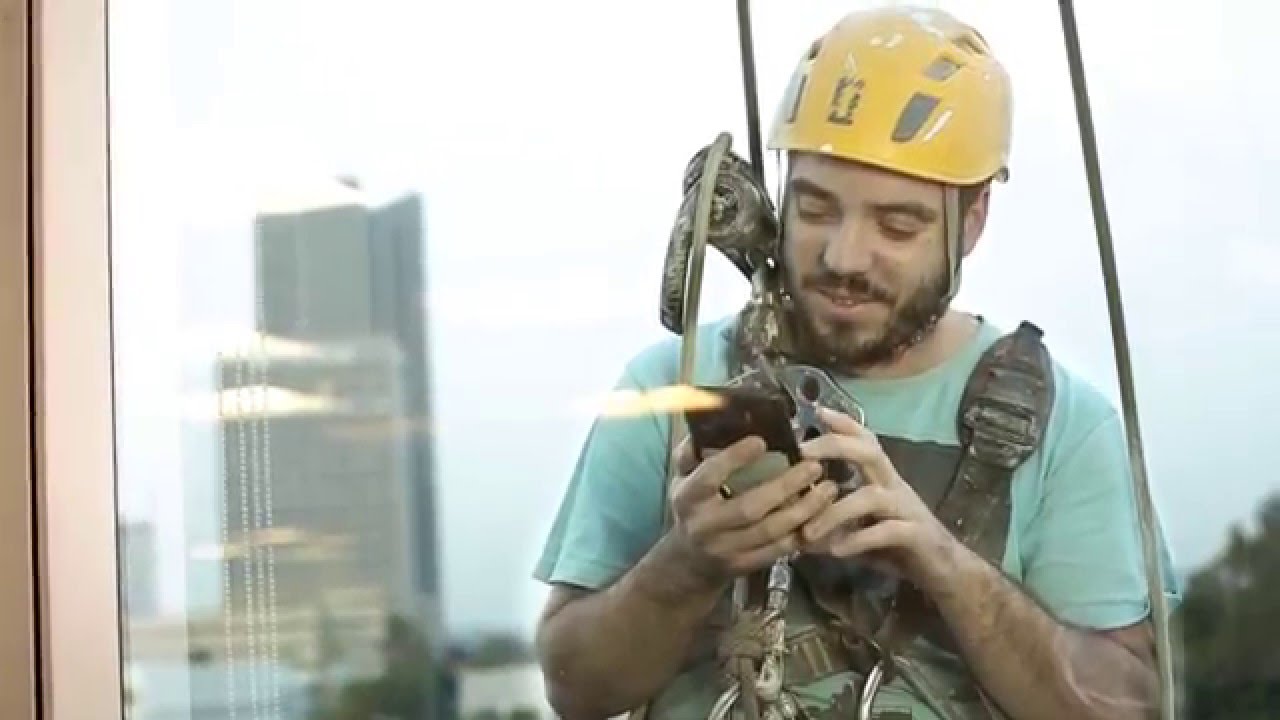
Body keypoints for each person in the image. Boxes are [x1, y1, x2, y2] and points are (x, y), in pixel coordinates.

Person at [532, 7, 1181, 720]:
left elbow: (1124, 708)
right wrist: (687, 564)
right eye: (814, 210)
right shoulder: (672, 387)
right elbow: (575, 687)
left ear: (972, 220)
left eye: (896, 226)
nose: (844, 257)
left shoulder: (1067, 429)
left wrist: (941, 562)